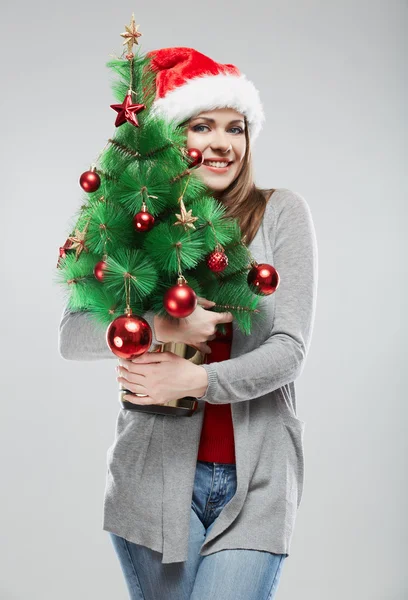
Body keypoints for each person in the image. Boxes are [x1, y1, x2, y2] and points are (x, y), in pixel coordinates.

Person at [58, 46, 318, 600]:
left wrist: (197, 381)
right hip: (150, 479)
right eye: (202, 125)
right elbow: (72, 336)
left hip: (259, 480)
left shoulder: (281, 213)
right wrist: (164, 328)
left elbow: (289, 349)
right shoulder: (132, 223)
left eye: (236, 128)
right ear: (171, 136)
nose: (223, 142)